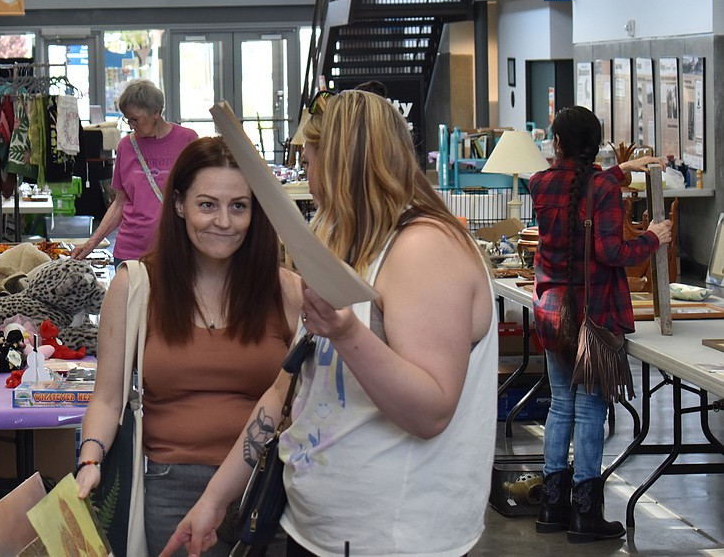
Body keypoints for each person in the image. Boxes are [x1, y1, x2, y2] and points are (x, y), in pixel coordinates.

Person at [164, 90, 498, 557]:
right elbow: (286, 390)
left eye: (308, 157)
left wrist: (346, 332)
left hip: (392, 539)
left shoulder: (425, 249)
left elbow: (431, 411)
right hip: (317, 528)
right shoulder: (349, 240)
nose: (305, 173)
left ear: (339, 159)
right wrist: (214, 500)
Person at [74, 136, 304, 556]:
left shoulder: (285, 291)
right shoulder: (136, 286)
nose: (224, 221)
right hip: (167, 491)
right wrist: (90, 461)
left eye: (239, 206)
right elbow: (107, 399)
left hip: (266, 489)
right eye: (207, 204)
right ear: (179, 204)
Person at [528, 106, 671, 543]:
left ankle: (554, 505)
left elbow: (582, 189)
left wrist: (621, 169)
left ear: (556, 144)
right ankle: (585, 515)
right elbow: (611, 252)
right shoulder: (603, 187)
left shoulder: (539, 183)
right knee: (590, 410)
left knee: (559, 406)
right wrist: (652, 238)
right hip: (595, 315)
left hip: (552, 310)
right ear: (596, 145)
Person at [70, 79, 196, 264]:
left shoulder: (187, 140)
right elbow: (119, 203)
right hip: (130, 250)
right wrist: (91, 244)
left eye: (135, 119)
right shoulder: (127, 146)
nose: (131, 125)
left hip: (175, 250)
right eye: (127, 119)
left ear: (156, 112)